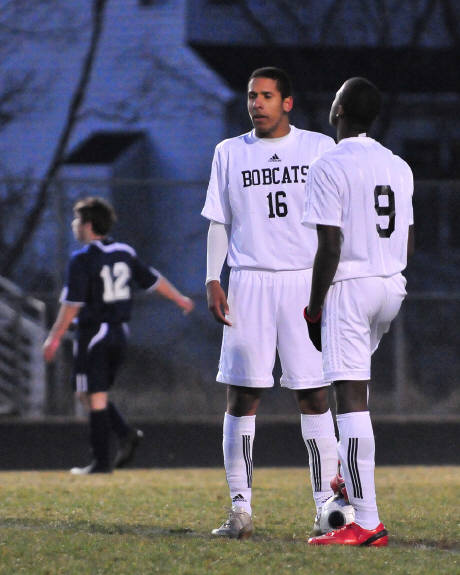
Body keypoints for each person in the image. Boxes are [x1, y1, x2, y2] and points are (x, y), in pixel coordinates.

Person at [202, 66, 338, 539]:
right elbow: (219, 221)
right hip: (249, 282)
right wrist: (212, 278)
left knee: (314, 394)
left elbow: (337, 219)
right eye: (251, 96)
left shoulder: (319, 147)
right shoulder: (229, 151)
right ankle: (240, 510)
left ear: (287, 103)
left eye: (266, 96)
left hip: (304, 282)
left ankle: (327, 508)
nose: (256, 103)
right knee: (242, 396)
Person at [302, 77, 414, 546]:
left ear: (338, 110)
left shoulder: (329, 164)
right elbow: (408, 240)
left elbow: (330, 246)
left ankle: (367, 523)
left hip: (351, 286)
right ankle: (351, 481)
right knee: (357, 388)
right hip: (391, 285)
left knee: (349, 400)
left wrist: (314, 307)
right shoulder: (399, 165)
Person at [43, 196, 194, 474]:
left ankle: (102, 462)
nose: (74, 225)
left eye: (78, 220)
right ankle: (125, 435)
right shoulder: (124, 252)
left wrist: (54, 337)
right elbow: (152, 279)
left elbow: (72, 305)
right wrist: (179, 298)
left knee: (94, 396)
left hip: (94, 333)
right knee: (87, 394)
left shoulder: (82, 259)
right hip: (119, 333)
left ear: (89, 225)